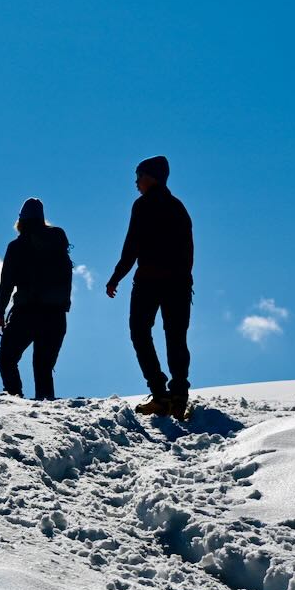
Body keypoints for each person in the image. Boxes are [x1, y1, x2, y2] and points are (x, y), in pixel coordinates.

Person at [105, 156, 193, 418]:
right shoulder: (179, 208)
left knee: (140, 332)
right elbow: (189, 251)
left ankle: (160, 394)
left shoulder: (143, 206)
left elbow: (132, 247)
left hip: (149, 283)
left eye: (138, 176)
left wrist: (115, 277)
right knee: (176, 336)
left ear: (150, 177)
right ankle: (179, 397)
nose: (135, 182)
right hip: (179, 283)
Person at [0, 198, 73, 400]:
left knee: (7, 358)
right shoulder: (58, 241)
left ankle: (14, 397)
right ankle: (45, 412)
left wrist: (0, 313)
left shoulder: (17, 247)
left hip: (27, 312)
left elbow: (7, 283)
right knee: (43, 366)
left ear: (21, 221)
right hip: (55, 314)